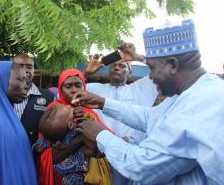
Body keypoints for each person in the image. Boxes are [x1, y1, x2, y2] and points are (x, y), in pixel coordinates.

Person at [72, 19, 223, 184]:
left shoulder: (199, 105)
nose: (150, 76)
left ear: (172, 65)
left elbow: (141, 167)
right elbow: (150, 116)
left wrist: (100, 135)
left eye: (151, 68)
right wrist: (103, 103)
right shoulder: (191, 93)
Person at [84, 50, 158, 184]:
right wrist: (85, 74)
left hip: (132, 157)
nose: (117, 67)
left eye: (123, 65)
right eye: (113, 65)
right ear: (108, 70)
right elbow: (65, 93)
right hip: (100, 157)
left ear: (130, 72)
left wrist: (139, 57)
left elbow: (160, 69)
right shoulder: (94, 89)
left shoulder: (140, 89)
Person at [38, 68, 112, 185]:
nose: (74, 90)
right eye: (68, 86)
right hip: (62, 177)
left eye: (78, 85)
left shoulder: (90, 111)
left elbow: (105, 137)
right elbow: (45, 149)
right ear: (61, 90)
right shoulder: (54, 109)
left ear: (84, 87)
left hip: (89, 177)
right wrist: (80, 139)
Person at [13, 54, 54, 146]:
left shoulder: (48, 97)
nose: (25, 70)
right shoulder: (3, 94)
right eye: (19, 66)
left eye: (29, 67)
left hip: (34, 155)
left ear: (33, 71)